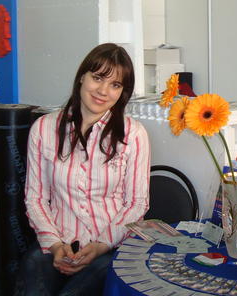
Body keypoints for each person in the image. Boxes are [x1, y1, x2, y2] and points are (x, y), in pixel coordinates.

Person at [16, 43, 151, 296]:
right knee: (33, 275)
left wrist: (102, 244)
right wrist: (54, 244)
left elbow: (136, 203)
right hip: (59, 238)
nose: (103, 91)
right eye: (97, 78)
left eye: (115, 85)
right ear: (82, 77)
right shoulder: (43, 129)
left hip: (111, 245)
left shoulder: (133, 134)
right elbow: (35, 198)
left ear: (122, 92)